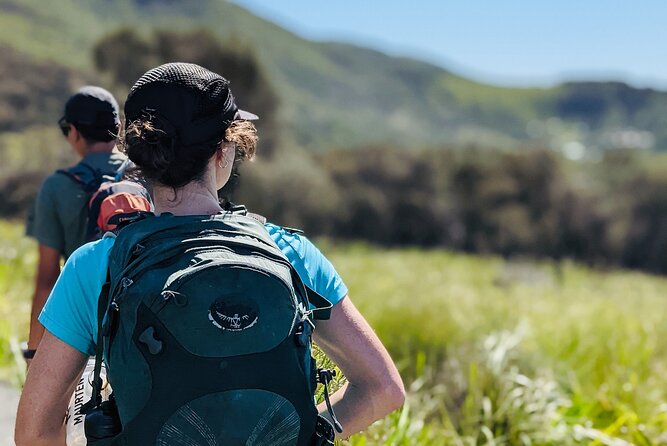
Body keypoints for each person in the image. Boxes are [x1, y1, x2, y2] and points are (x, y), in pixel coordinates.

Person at [16, 63, 404, 445]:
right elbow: (383, 390)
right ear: (224, 149)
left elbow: (35, 432)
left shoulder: (96, 264)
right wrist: (299, 435)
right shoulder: (290, 253)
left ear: (137, 153)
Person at [24, 86, 124, 364]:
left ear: (74, 132)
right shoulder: (147, 177)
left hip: (78, 325)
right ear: (118, 128)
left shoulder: (56, 187)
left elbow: (47, 278)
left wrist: (34, 352)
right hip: (140, 319)